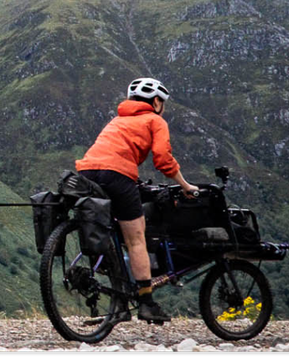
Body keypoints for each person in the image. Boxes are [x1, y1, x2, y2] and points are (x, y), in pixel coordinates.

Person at [73, 76, 198, 324]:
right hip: (117, 175)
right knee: (135, 238)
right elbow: (163, 159)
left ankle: (118, 300)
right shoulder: (155, 120)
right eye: (162, 102)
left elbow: (106, 153)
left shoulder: (117, 120)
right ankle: (146, 303)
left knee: (111, 233)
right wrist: (185, 186)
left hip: (86, 173)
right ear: (155, 101)